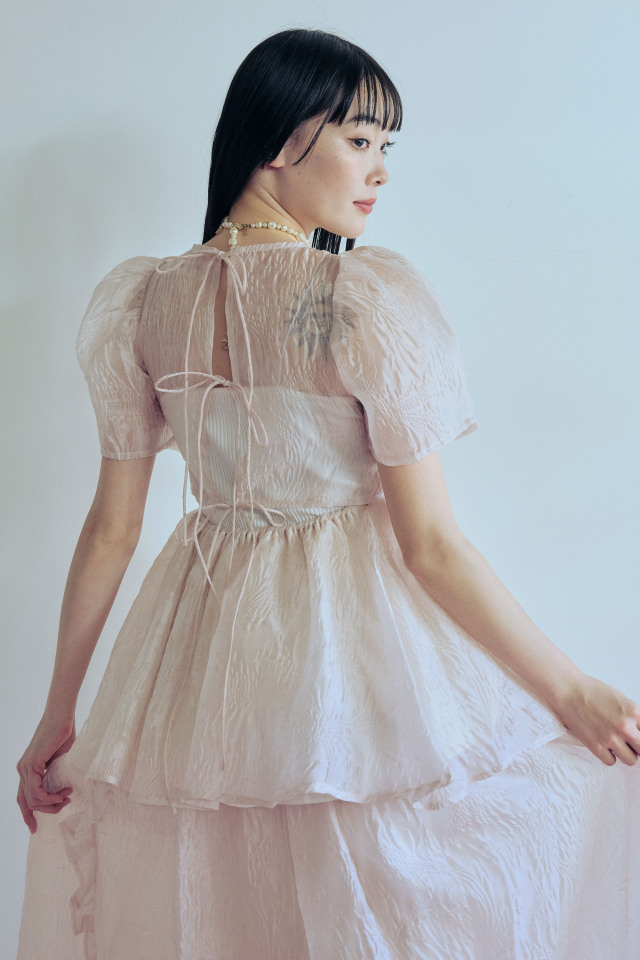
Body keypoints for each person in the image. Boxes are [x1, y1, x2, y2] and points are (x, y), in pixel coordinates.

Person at [15, 26, 640, 960]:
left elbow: (112, 529)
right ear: (278, 141)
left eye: (386, 145)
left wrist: (57, 713)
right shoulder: (354, 298)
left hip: (194, 654)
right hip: (349, 646)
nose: (379, 170)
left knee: (225, 904)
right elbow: (431, 548)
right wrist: (569, 689)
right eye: (358, 139)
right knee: (385, 887)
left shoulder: (147, 303)